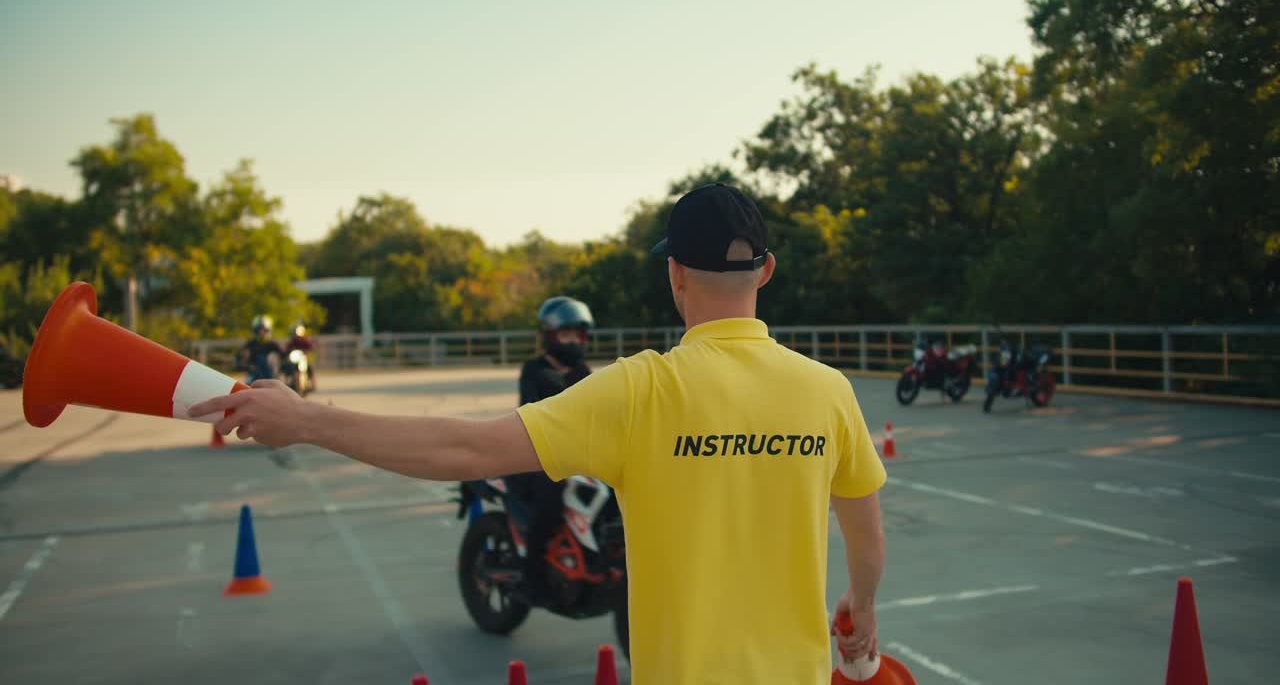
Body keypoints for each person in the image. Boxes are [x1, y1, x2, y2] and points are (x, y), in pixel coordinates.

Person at [192, 183, 887, 684]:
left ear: (674, 275)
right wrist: (860, 606)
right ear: (765, 269)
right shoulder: (828, 393)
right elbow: (867, 542)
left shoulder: (641, 389)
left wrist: (306, 419)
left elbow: (463, 450)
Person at [510, 295, 594, 606]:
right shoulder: (534, 369)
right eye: (565, 334)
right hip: (537, 455)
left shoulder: (582, 370)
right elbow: (531, 411)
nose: (573, 341)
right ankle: (533, 581)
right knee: (550, 502)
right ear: (550, 335)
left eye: (578, 334)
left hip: (577, 454)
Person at [238, 315, 285, 384]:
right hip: (254, 374)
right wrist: (244, 361)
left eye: (264, 330)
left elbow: (283, 355)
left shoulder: (273, 344)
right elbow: (242, 358)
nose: (262, 332)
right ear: (255, 331)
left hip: (271, 374)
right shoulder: (251, 344)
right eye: (259, 330)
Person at [285, 321, 318, 390]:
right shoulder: (292, 341)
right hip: (295, 359)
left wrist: (307, 352)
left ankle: (313, 383)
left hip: (302, 358)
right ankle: (287, 381)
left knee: (309, 367)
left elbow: (311, 347)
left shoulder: (305, 340)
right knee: (288, 367)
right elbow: (287, 348)